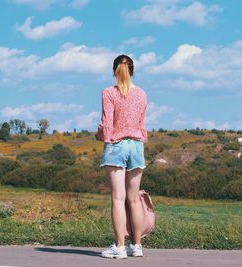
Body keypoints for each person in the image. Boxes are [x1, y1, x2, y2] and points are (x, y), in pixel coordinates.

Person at [96, 54, 148, 259]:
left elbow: (107, 126)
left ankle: (119, 247)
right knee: (134, 199)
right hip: (136, 146)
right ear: (132, 71)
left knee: (118, 198)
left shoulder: (108, 93)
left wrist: (99, 135)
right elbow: (142, 125)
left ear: (113, 71)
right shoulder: (142, 94)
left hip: (117, 145)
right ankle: (136, 245)